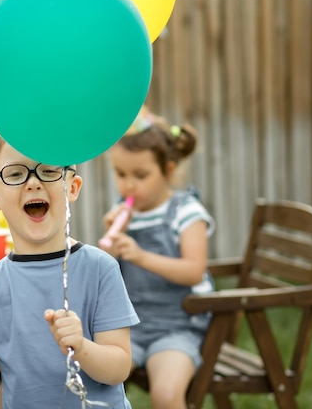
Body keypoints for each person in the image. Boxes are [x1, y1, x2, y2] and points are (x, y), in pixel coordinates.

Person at [0, 134, 140, 409]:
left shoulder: (100, 269)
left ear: (73, 187)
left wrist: (81, 346)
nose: (33, 182)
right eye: (16, 173)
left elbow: (118, 368)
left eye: (49, 171)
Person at [99, 107, 215, 409]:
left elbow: (193, 271)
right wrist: (111, 245)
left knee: (165, 395)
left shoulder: (186, 212)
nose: (129, 185)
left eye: (141, 175)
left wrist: (139, 255)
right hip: (130, 327)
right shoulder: (124, 211)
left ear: (169, 170)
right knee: (93, 381)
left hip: (178, 326)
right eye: (121, 174)